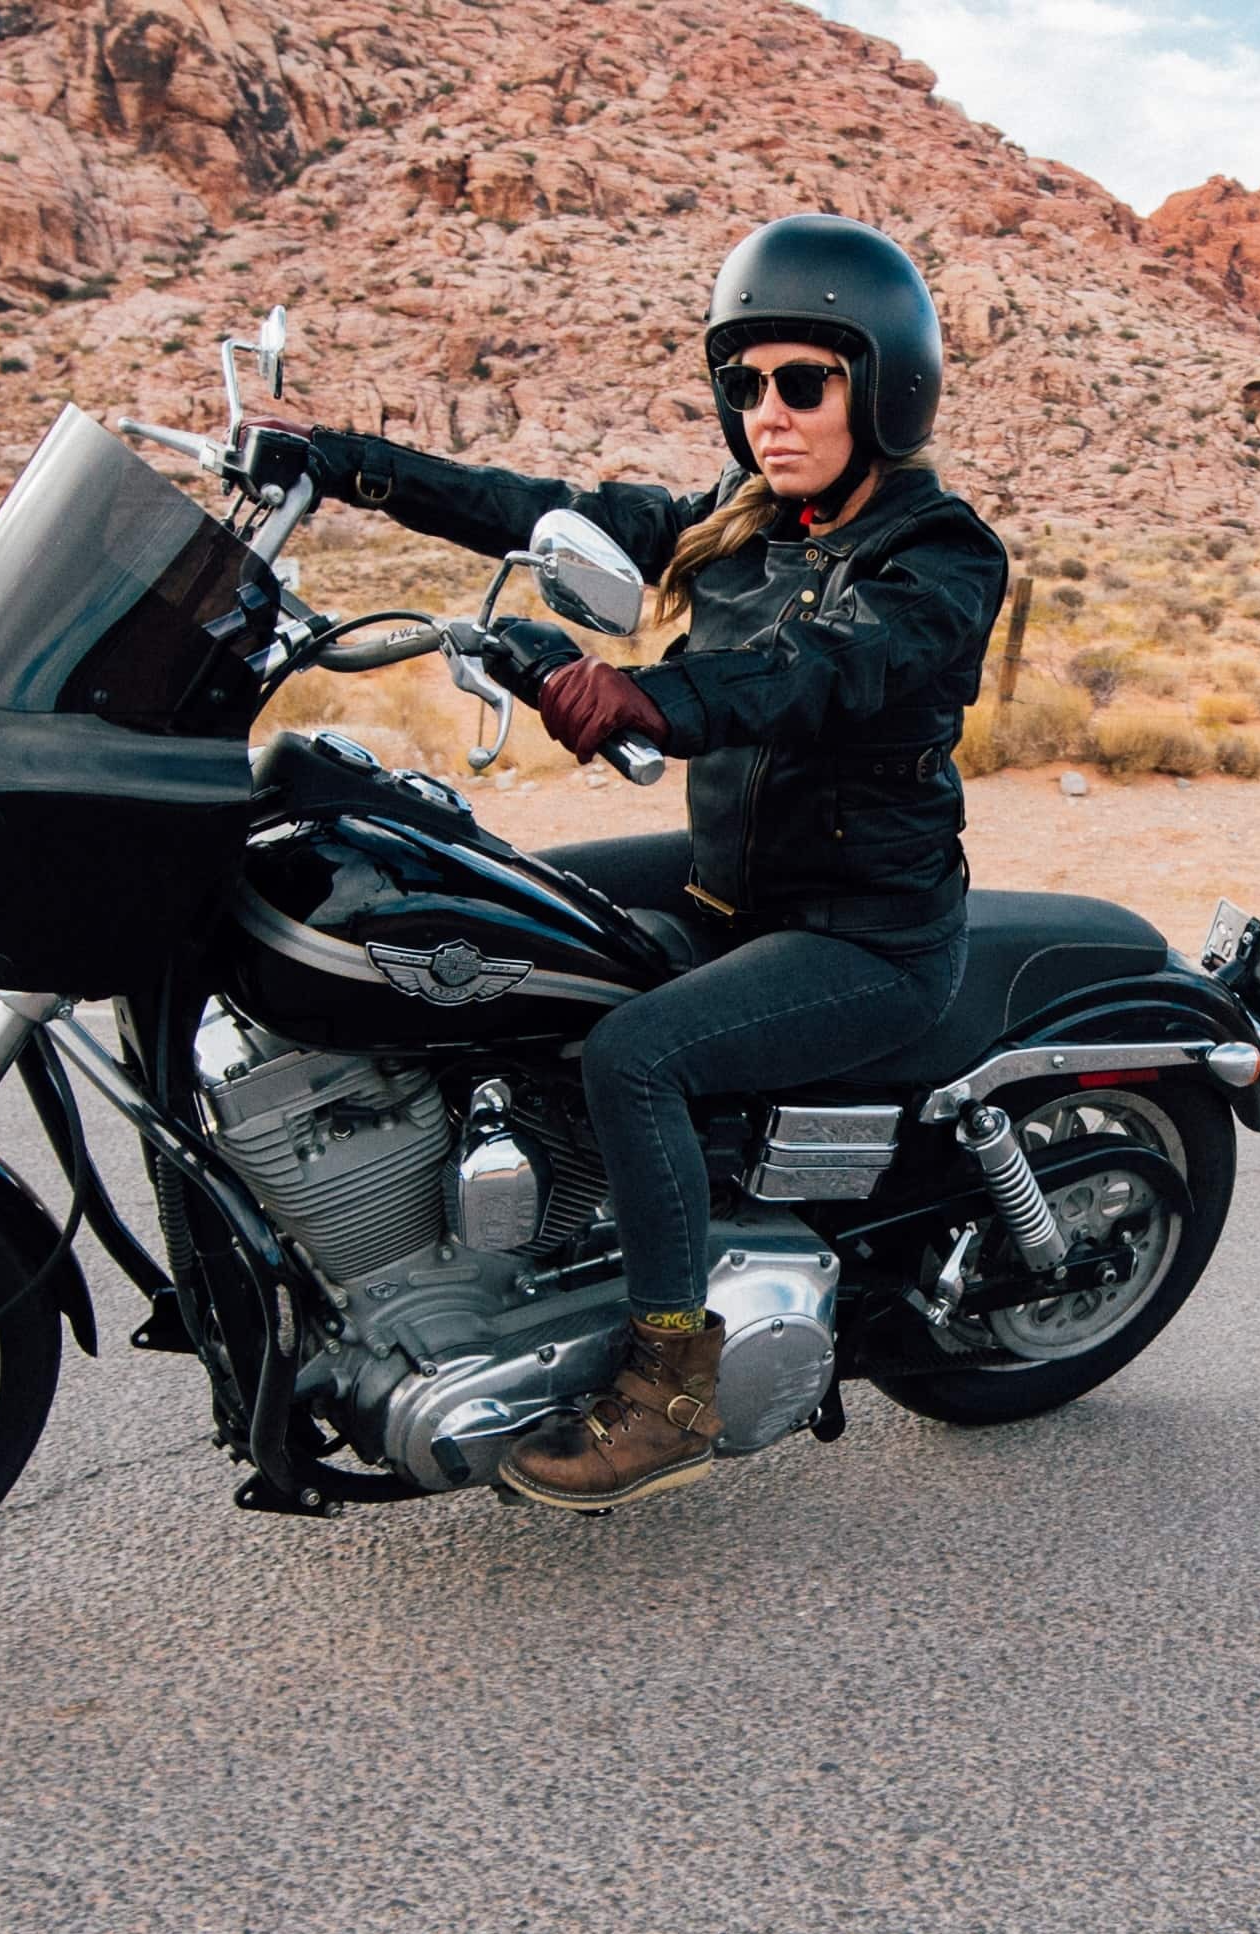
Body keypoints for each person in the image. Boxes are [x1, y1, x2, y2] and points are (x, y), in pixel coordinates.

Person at [289, 213, 1010, 1510]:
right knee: (494, 911)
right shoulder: (737, 526)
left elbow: (828, 669)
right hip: (732, 888)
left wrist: (651, 699)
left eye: (804, 381)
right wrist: (343, 466)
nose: (769, 411)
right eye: (745, 385)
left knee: (640, 1054)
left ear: (884, 386)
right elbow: (544, 511)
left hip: (868, 934)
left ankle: (671, 1382)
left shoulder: (939, 553)